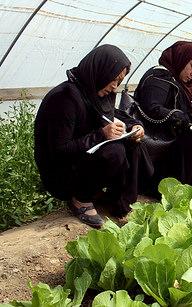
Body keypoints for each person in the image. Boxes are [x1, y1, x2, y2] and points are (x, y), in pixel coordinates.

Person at [34, 44, 147, 228]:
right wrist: (101, 134)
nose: (114, 86)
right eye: (113, 79)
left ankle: (117, 200)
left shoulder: (96, 93)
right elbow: (59, 151)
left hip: (81, 161)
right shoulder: (65, 98)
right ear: (100, 70)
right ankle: (80, 199)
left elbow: (113, 114)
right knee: (114, 151)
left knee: (132, 142)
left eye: (119, 82)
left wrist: (134, 126)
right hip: (60, 171)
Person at [134, 41, 192, 191]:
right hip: (159, 136)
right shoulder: (159, 77)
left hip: (172, 130)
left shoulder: (175, 78)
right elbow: (153, 109)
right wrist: (191, 117)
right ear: (181, 59)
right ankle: (177, 189)